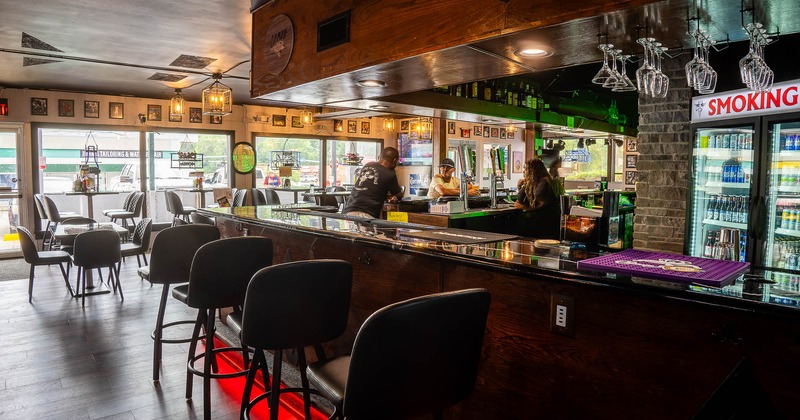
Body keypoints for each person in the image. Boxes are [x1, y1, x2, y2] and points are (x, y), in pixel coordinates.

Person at [343, 147, 405, 218]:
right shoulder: (390, 174)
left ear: (380, 157)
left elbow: (372, 188)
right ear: (394, 160)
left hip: (348, 210)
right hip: (366, 214)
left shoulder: (368, 165)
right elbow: (399, 194)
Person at [514, 158, 561, 239]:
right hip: (549, 224)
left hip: (543, 225)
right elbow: (522, 198)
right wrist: (521, 187)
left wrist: (524, 207)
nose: (524, 171)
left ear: (533, 171)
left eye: (526, 169)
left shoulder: (544, 183)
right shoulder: (544, 181)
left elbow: (540, 204)